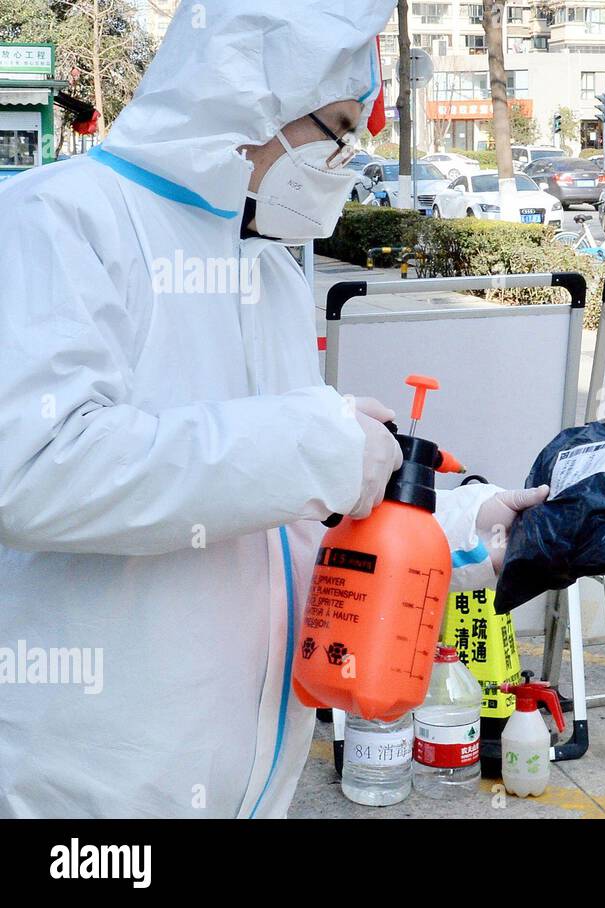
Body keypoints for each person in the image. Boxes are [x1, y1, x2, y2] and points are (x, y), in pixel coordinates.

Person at [0, 1, 545, 818]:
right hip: (89, 795)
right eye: (333, 125)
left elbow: (282, 516)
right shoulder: (61, 219)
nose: (344, 157)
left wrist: (458, 527)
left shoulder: (270, 271)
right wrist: (317, 449)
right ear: (247, 94)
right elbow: (35, 469)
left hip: (251, 784)